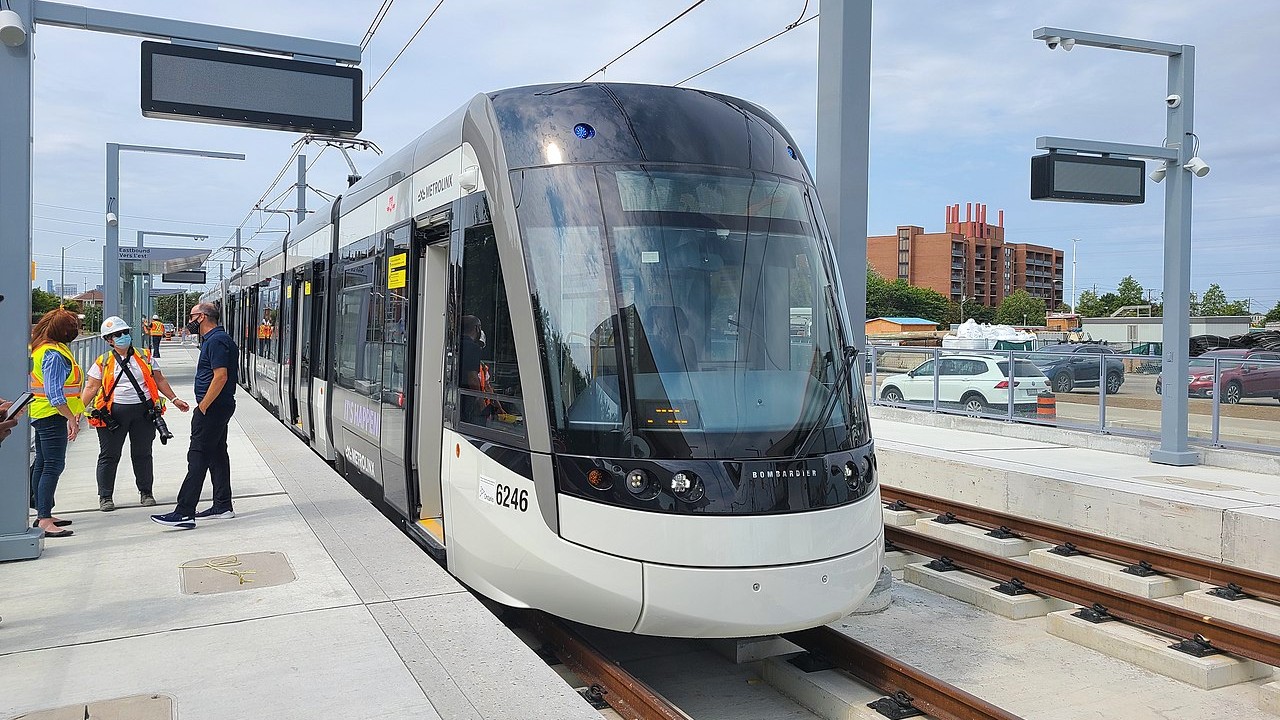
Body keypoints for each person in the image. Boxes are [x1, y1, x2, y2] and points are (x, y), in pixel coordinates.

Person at [81, 316, 190, 512]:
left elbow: (160, 380)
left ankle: (146, 492)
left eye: (125, 333)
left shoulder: (145, 356)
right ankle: (105, 496)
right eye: (117, 335)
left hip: (144, 412)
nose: (123, 337)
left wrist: (174, 399)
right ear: (109, 340)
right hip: (112, 415)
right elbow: (91, 387)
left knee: (143, 454)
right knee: (109, 455)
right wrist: (75, 413)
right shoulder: (103, 361)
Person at [151, 302, 238, 529]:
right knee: (218, 455)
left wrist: (203, 407)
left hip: (213, 409)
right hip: (219, 407)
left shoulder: (217, 341)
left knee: (197, 456)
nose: (189, 320)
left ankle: (184, 512)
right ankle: (222, 505)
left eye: (191, 316)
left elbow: (220, 376)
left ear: (202, 317)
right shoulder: (216, 339)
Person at [28, 308, 85, 538]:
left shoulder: (43, 348)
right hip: (52, 415)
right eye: (73, 327)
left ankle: (44, 512)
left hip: (42, 413)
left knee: (42, 462)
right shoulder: (53, 354)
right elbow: (55, 395)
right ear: (62, 331)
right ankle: (43, 518)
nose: (75, 331)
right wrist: (71, 417)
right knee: (53, 465)